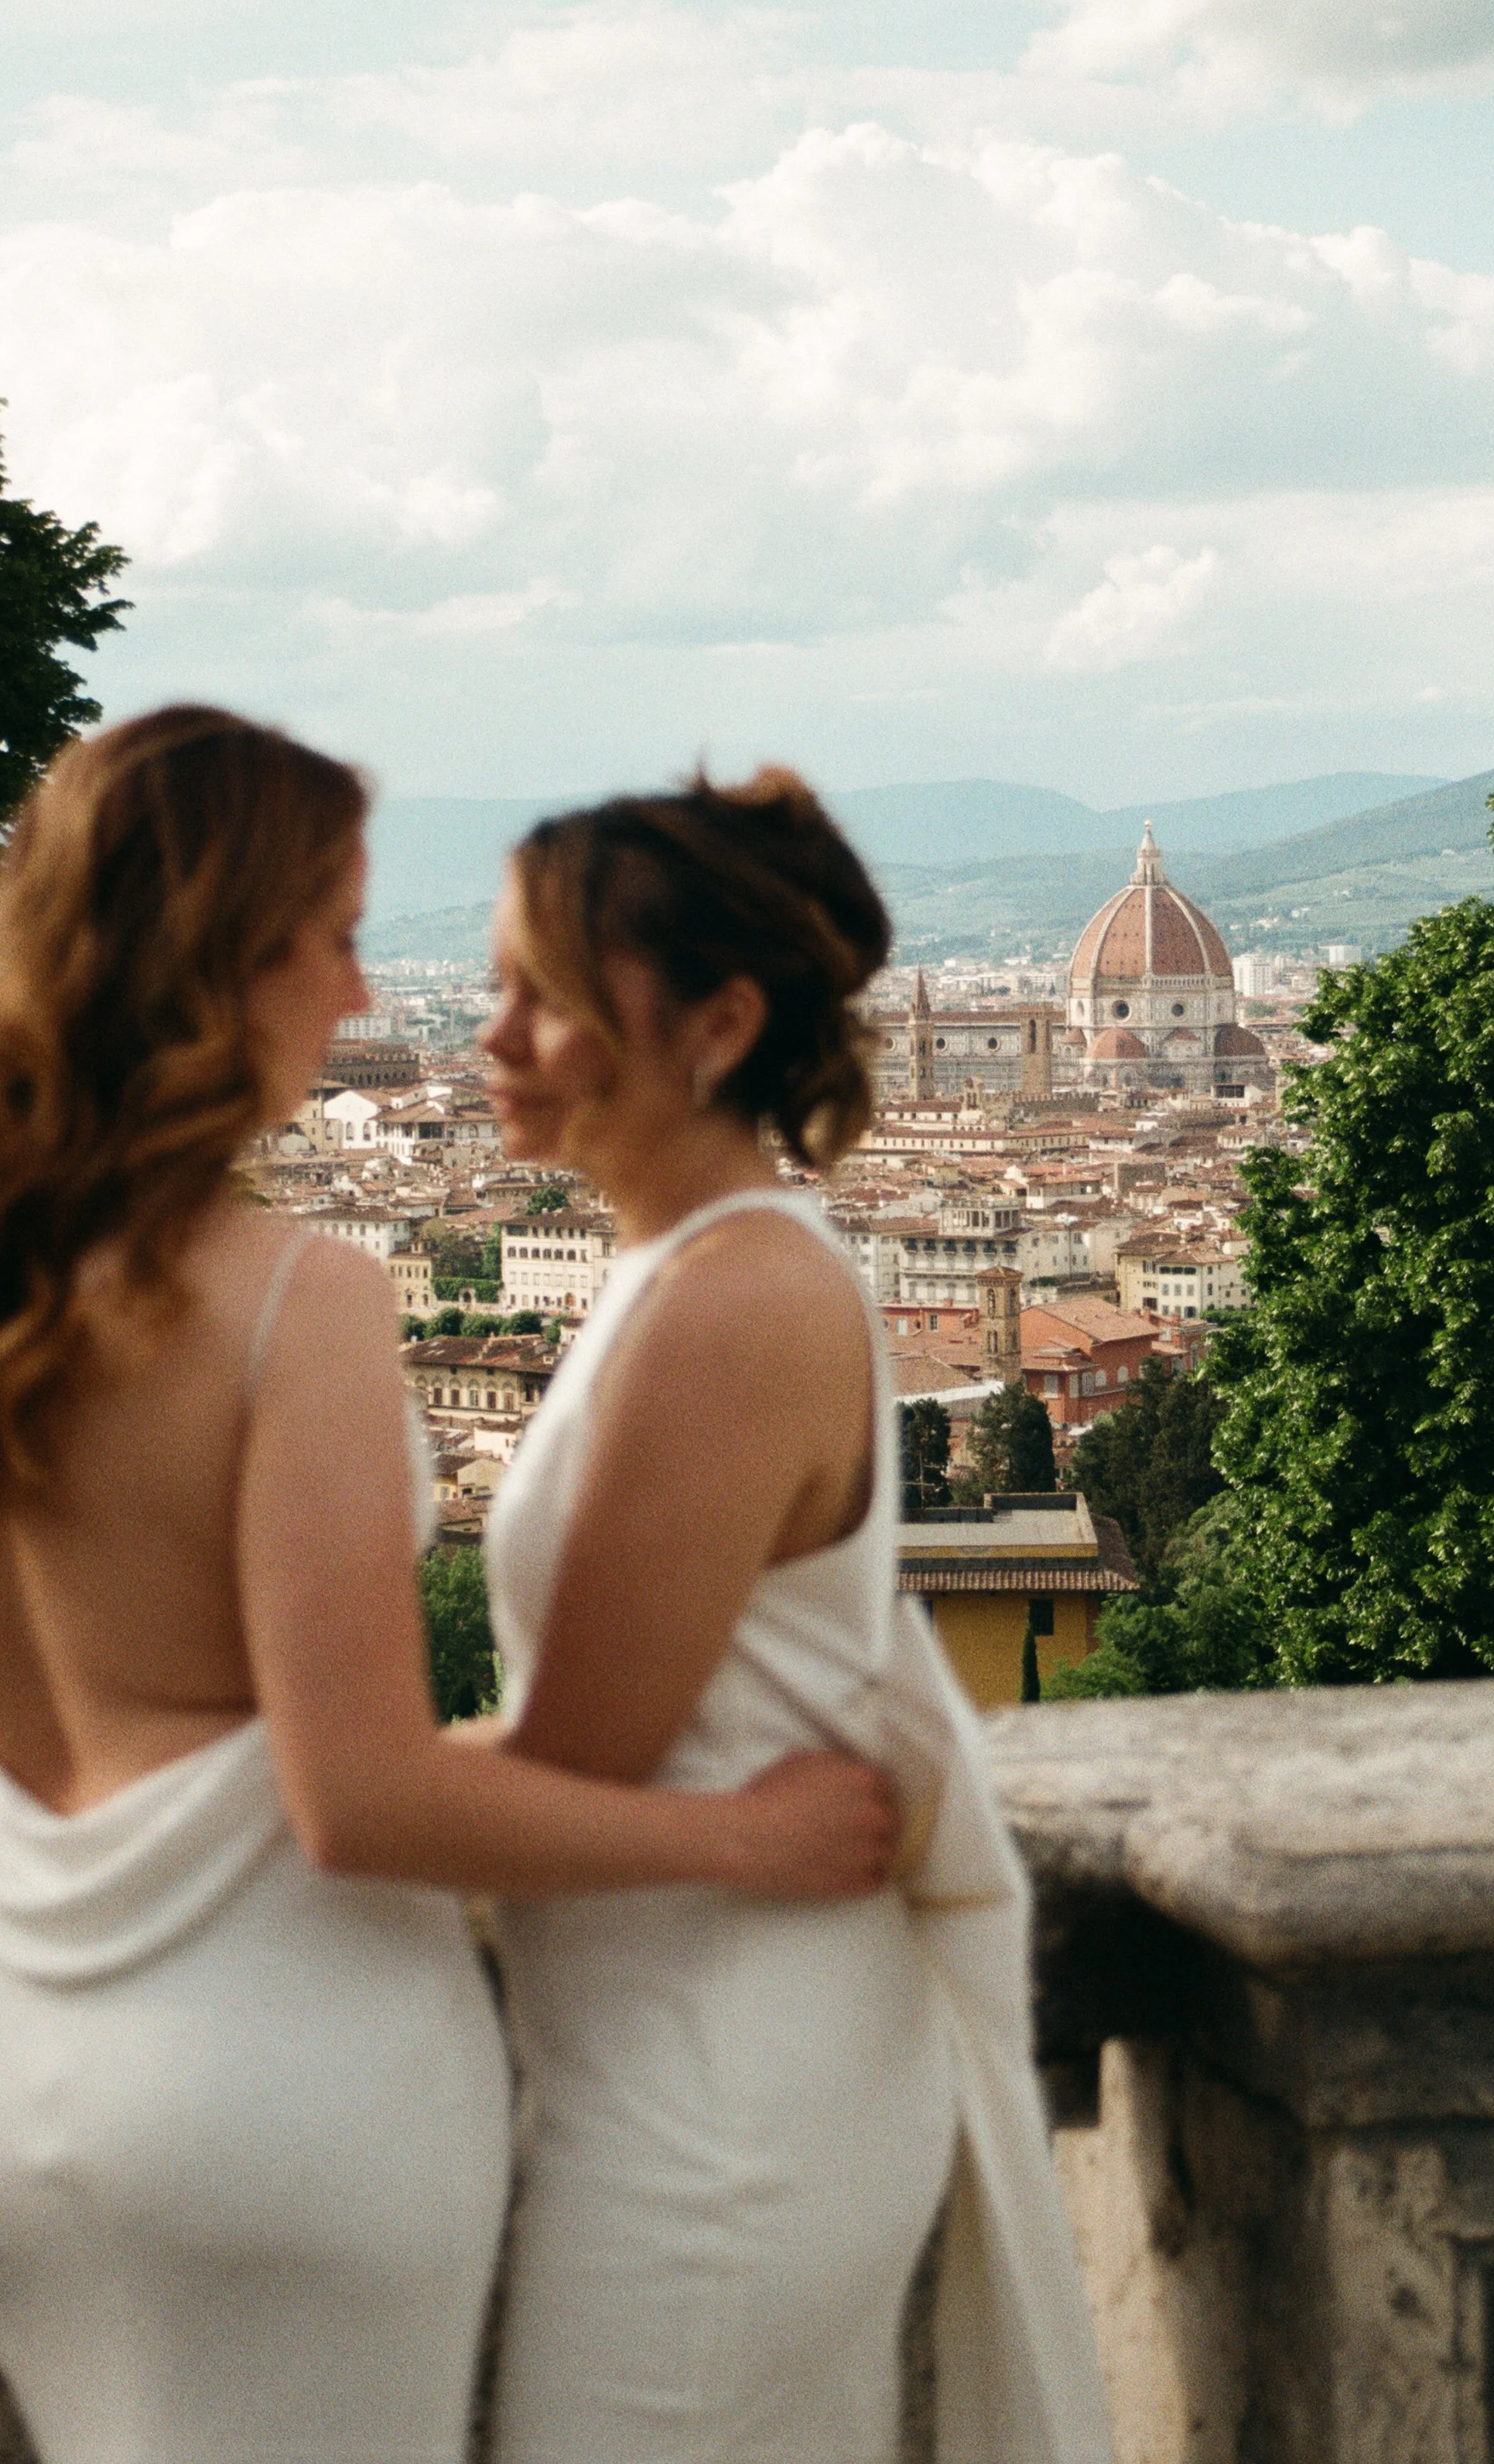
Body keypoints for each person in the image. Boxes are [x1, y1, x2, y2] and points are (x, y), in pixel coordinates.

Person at [0, 707, 900, 2464]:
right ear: (207, 963)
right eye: (332, 940)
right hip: (288, 2098)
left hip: (15, 2101)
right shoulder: (292, 1298)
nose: (357, 1001)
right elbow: (360, 1801)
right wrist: (747, 1839)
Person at [480, 771, 1113, 2464]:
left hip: (720, 2096)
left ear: (718, 1021)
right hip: (674, 2046)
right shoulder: (683, 1276)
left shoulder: (737, 1301)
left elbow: (572, 1765)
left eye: (537, 995)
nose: (490, 1037)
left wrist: (226, 1779)